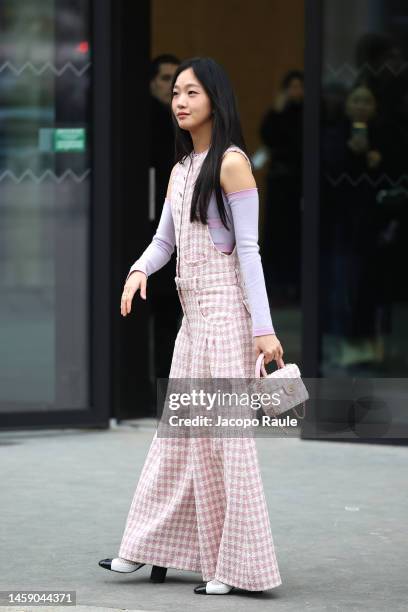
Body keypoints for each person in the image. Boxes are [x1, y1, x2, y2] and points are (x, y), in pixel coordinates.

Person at [99, 56, 284, 595]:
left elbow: (249, 252)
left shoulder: (231, 164)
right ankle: (144, 548)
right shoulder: (181, 171)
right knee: (177, 438)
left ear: (215, 100)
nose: (180, 101)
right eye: (176, 92)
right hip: (194, 321)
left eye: (192, 92)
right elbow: (164, 243)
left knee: (226, 444)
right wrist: (137, 271)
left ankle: (234, 569)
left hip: (229, 317)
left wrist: (264, 329)